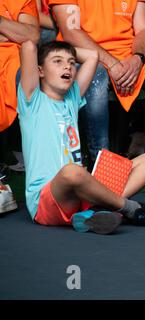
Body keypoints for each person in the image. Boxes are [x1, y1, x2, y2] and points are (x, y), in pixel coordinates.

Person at [17, 40, 145, 234]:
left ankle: (96, 212)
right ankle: (130, 208)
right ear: (40, 71)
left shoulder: (71, 99)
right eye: (57, 61)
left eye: (70, 61)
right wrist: (59, 48)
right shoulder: (31, 101)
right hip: (47, 200)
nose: (67, 65)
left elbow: (93, 56)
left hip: (82, 193)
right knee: (72, 171)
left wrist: (66, 52)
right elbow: (28, 46)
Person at [50, 0, 145, 186]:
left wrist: (138, 58)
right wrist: (112, 63)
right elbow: (71, 32)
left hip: (130, 56)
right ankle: (99, 165)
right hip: (86, 56)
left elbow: (144, 30)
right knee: (96, 77)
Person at [0, 0, 39, 202]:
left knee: (26, 76)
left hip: (12, 60)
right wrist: (11, 28)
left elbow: (31, 36)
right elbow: (21, 33)